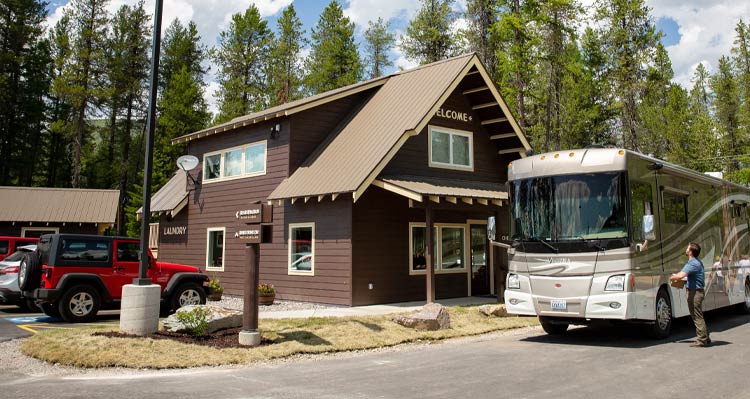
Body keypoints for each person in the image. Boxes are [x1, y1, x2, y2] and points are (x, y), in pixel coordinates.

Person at [669, 242, 711, 347]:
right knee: (698, 315)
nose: (686, 249)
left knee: (697, 316)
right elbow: (689, 276)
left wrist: (672, 277)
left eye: (687, 248)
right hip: (697, 291)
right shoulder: (697, 262)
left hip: (695, 293)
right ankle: (705, 337)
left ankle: (702, 340)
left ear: (691, 251)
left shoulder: (692, 263)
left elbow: (680, 275)